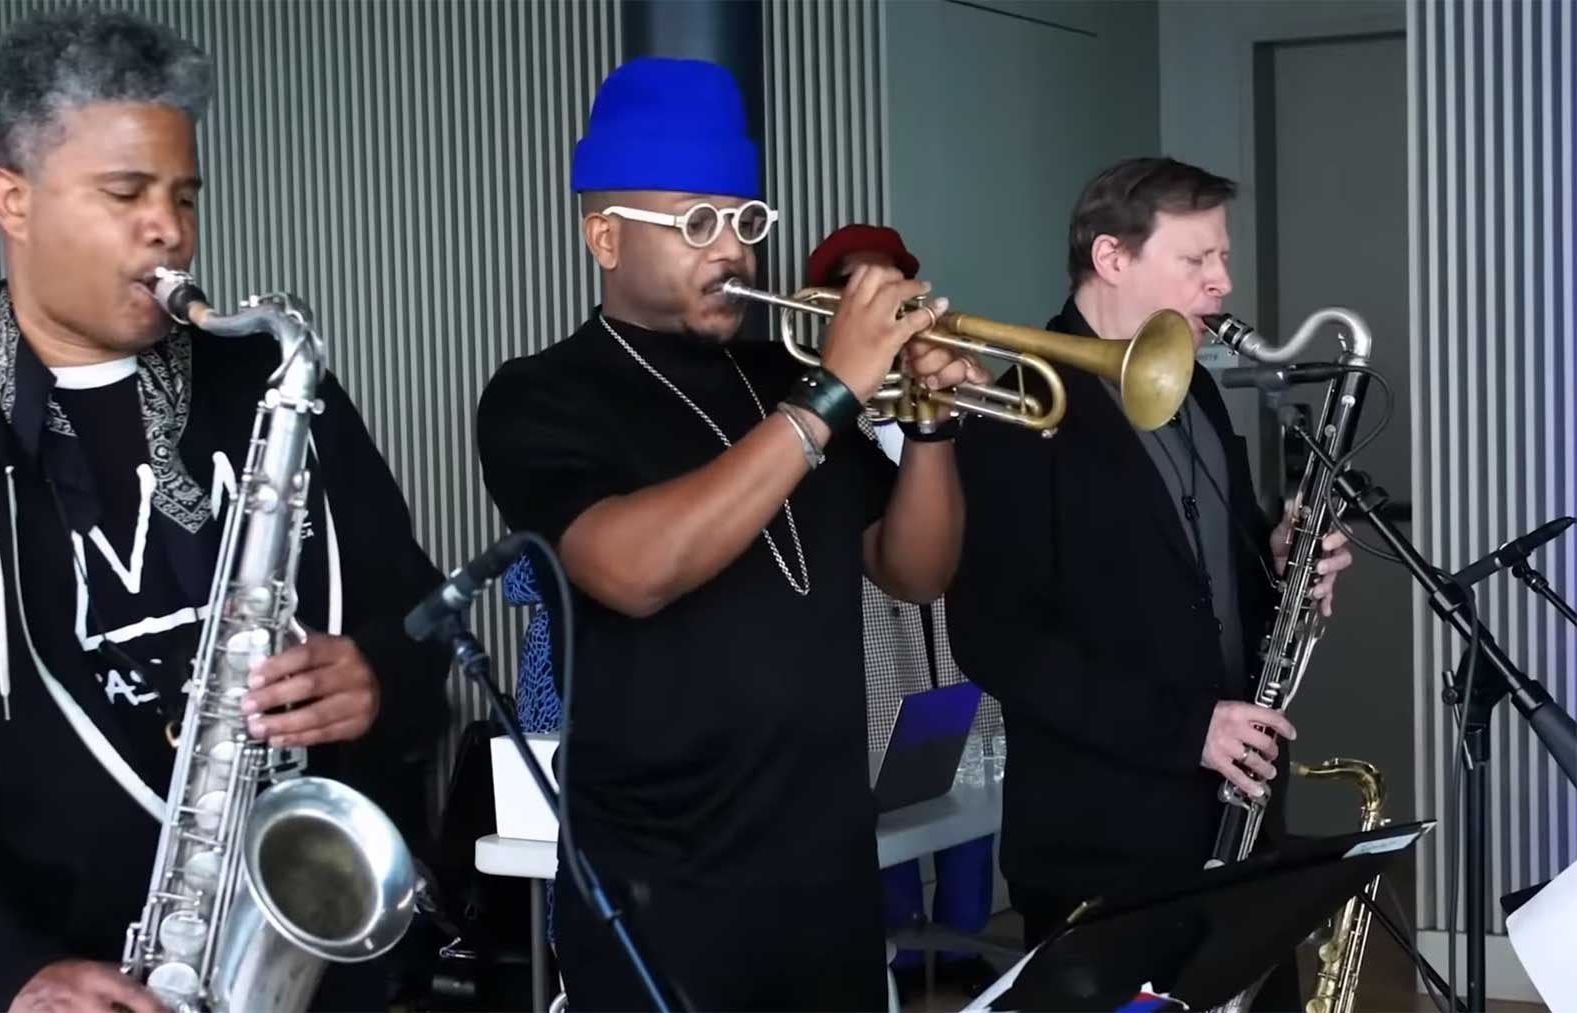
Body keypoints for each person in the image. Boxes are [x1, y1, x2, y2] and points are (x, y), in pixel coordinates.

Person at [0, 10, 449, 1012]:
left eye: (184, 193)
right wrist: (13, 969)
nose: (171, 229)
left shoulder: (278, 383)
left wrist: (381, 671)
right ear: (12, 201)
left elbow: (417, 614)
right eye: (126, 193)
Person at [475, 57, 983, 1012]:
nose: (735, 253)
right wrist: (830, 397)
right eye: (698, 224)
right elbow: (630, 570)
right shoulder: (542, 394)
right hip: (658, 892)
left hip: (827, 874)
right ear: (605, 236)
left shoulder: (780, 373)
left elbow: (916, 570)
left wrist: (930, 423)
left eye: (748, 224)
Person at [944, 156, 1353, 1006]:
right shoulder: (1023, 408)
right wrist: (1186, 729)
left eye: (1223, 258)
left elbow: (1211, 586)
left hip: (1234, 818)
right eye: (1197, 260)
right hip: (1104, 844)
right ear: (1112, 259)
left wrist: (1279, 566)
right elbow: (996, 638)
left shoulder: (1196, 390)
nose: (1224, 281)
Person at [806, 224, 998, 991]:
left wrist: (965, 404)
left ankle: (961, 946)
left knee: (969, 782)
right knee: (884, 792)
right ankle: (890, 943)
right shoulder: (827, 416)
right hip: (870, 640)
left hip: (952, 632)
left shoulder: (952, 388)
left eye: (900, 293)